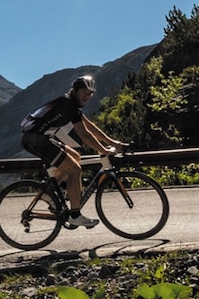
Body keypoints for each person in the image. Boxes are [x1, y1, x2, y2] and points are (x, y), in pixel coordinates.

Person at [19, 74, 123, 229]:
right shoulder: (68, 104)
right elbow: (84, 134)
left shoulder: (70, 104)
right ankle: (75, 215)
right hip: (37, 140)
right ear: (75, 90)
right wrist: (103, 150)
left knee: (75, 156)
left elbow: (89, 127)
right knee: (75, 169)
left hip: (41, 138)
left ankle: (49, 194)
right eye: (84, 92)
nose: (87, 96)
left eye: (90, 94)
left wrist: (111, 142)